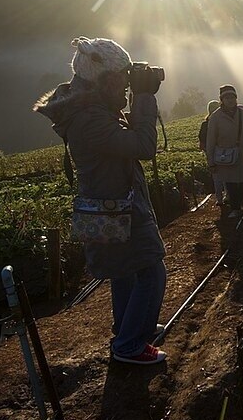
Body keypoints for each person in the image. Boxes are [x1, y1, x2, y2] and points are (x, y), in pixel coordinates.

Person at [34, 37, 167, 365]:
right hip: (117, 206)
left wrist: (136, 96)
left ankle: (128, 329)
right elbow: (143, 146)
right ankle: (130, 345)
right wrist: (145, 98)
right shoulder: (90, 119)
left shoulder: (92, 109)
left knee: (125, 271)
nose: (126, 82)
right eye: (122, 75)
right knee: (152, 271)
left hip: (113, 202)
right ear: (102, 78)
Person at [204, 84, 243, 219]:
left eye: (232, 97)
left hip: (241, 154)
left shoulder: (242, 113)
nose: (230, 100)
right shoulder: (215, 117)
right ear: (222, 100)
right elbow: (210, 141)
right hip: (225, 156)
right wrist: (211, 161)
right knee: (230, 183)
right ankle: (235, 208)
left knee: (242, 180)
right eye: (227, 97)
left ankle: (238, 202)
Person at [198, 99, 224, 207]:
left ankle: (219, 198)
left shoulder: (205, 124)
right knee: (226, 174)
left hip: (211, 152)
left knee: (216, 175)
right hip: (222, 151)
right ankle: (227, 196)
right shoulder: (222, 122)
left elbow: (201, 139)